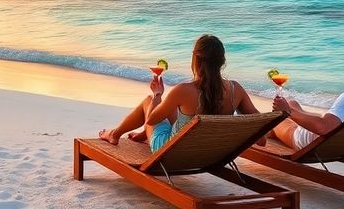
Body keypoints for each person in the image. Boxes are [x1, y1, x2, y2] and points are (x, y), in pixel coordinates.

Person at [98, 34, 262, 151]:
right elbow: (260, 134)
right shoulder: (235, 90)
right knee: (176, 110)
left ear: (195, 59)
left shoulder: (183, 90)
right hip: (209, 153)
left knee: (149, 100)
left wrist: (157, 94)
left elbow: (151, 120)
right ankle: (142, 136)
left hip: (171, 151)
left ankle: (114, 134)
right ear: (222, 61)